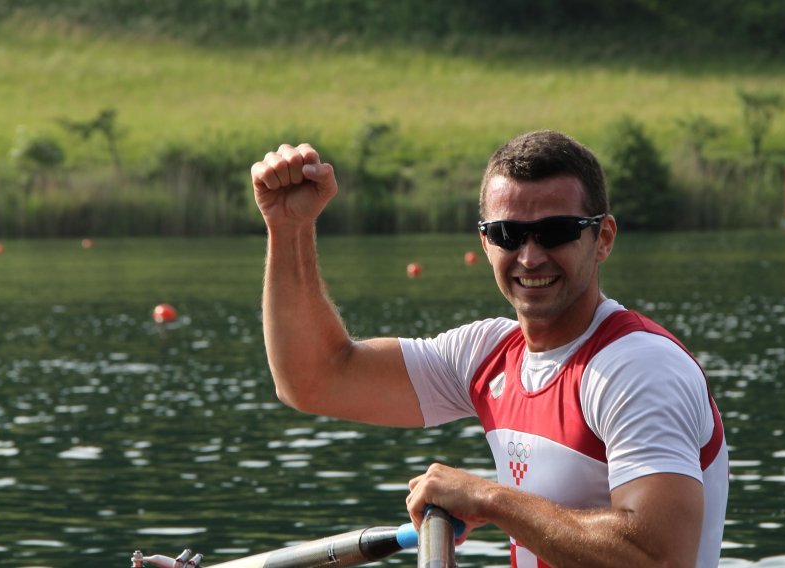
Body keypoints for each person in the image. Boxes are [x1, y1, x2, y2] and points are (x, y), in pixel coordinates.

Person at [250, 130, 728, 568]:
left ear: (602, 238)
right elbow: (313, 379)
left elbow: (661, 559)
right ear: (485, 242)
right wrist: (289, 229)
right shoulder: (485, 354)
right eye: (508, 234)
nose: (530, 256)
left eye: (556, 231)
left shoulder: (638, 368)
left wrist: (489, 500)